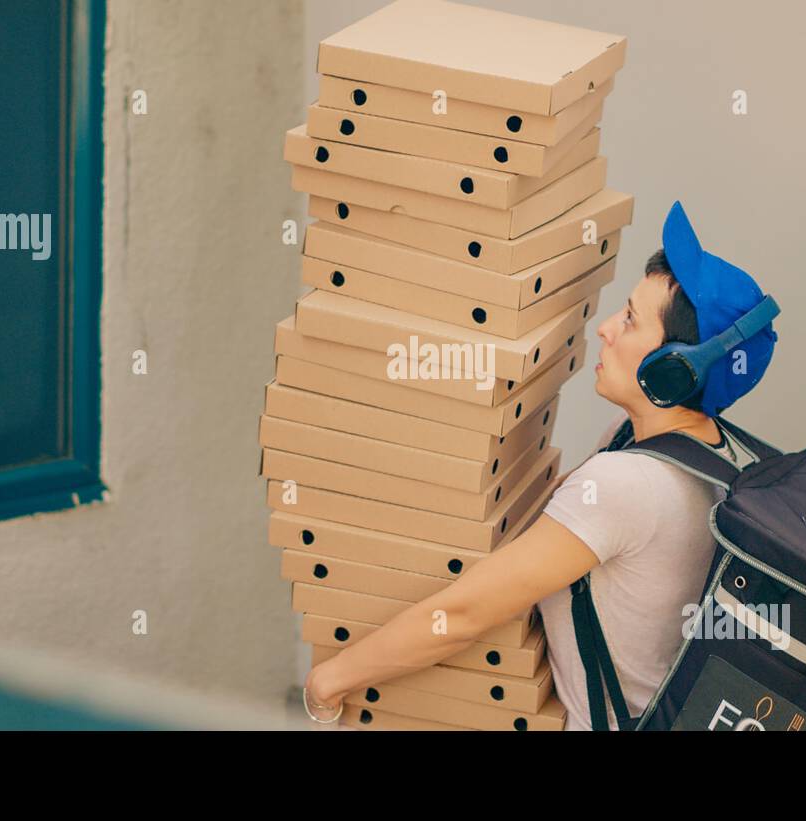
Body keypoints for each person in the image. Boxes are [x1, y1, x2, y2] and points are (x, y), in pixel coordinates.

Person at [304, 200, 779, 730]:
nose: (605, 329)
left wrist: (329, 682)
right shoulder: (719, 453)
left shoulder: (628, 485)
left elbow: (463, 615)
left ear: (672, 371)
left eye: (629, 319)